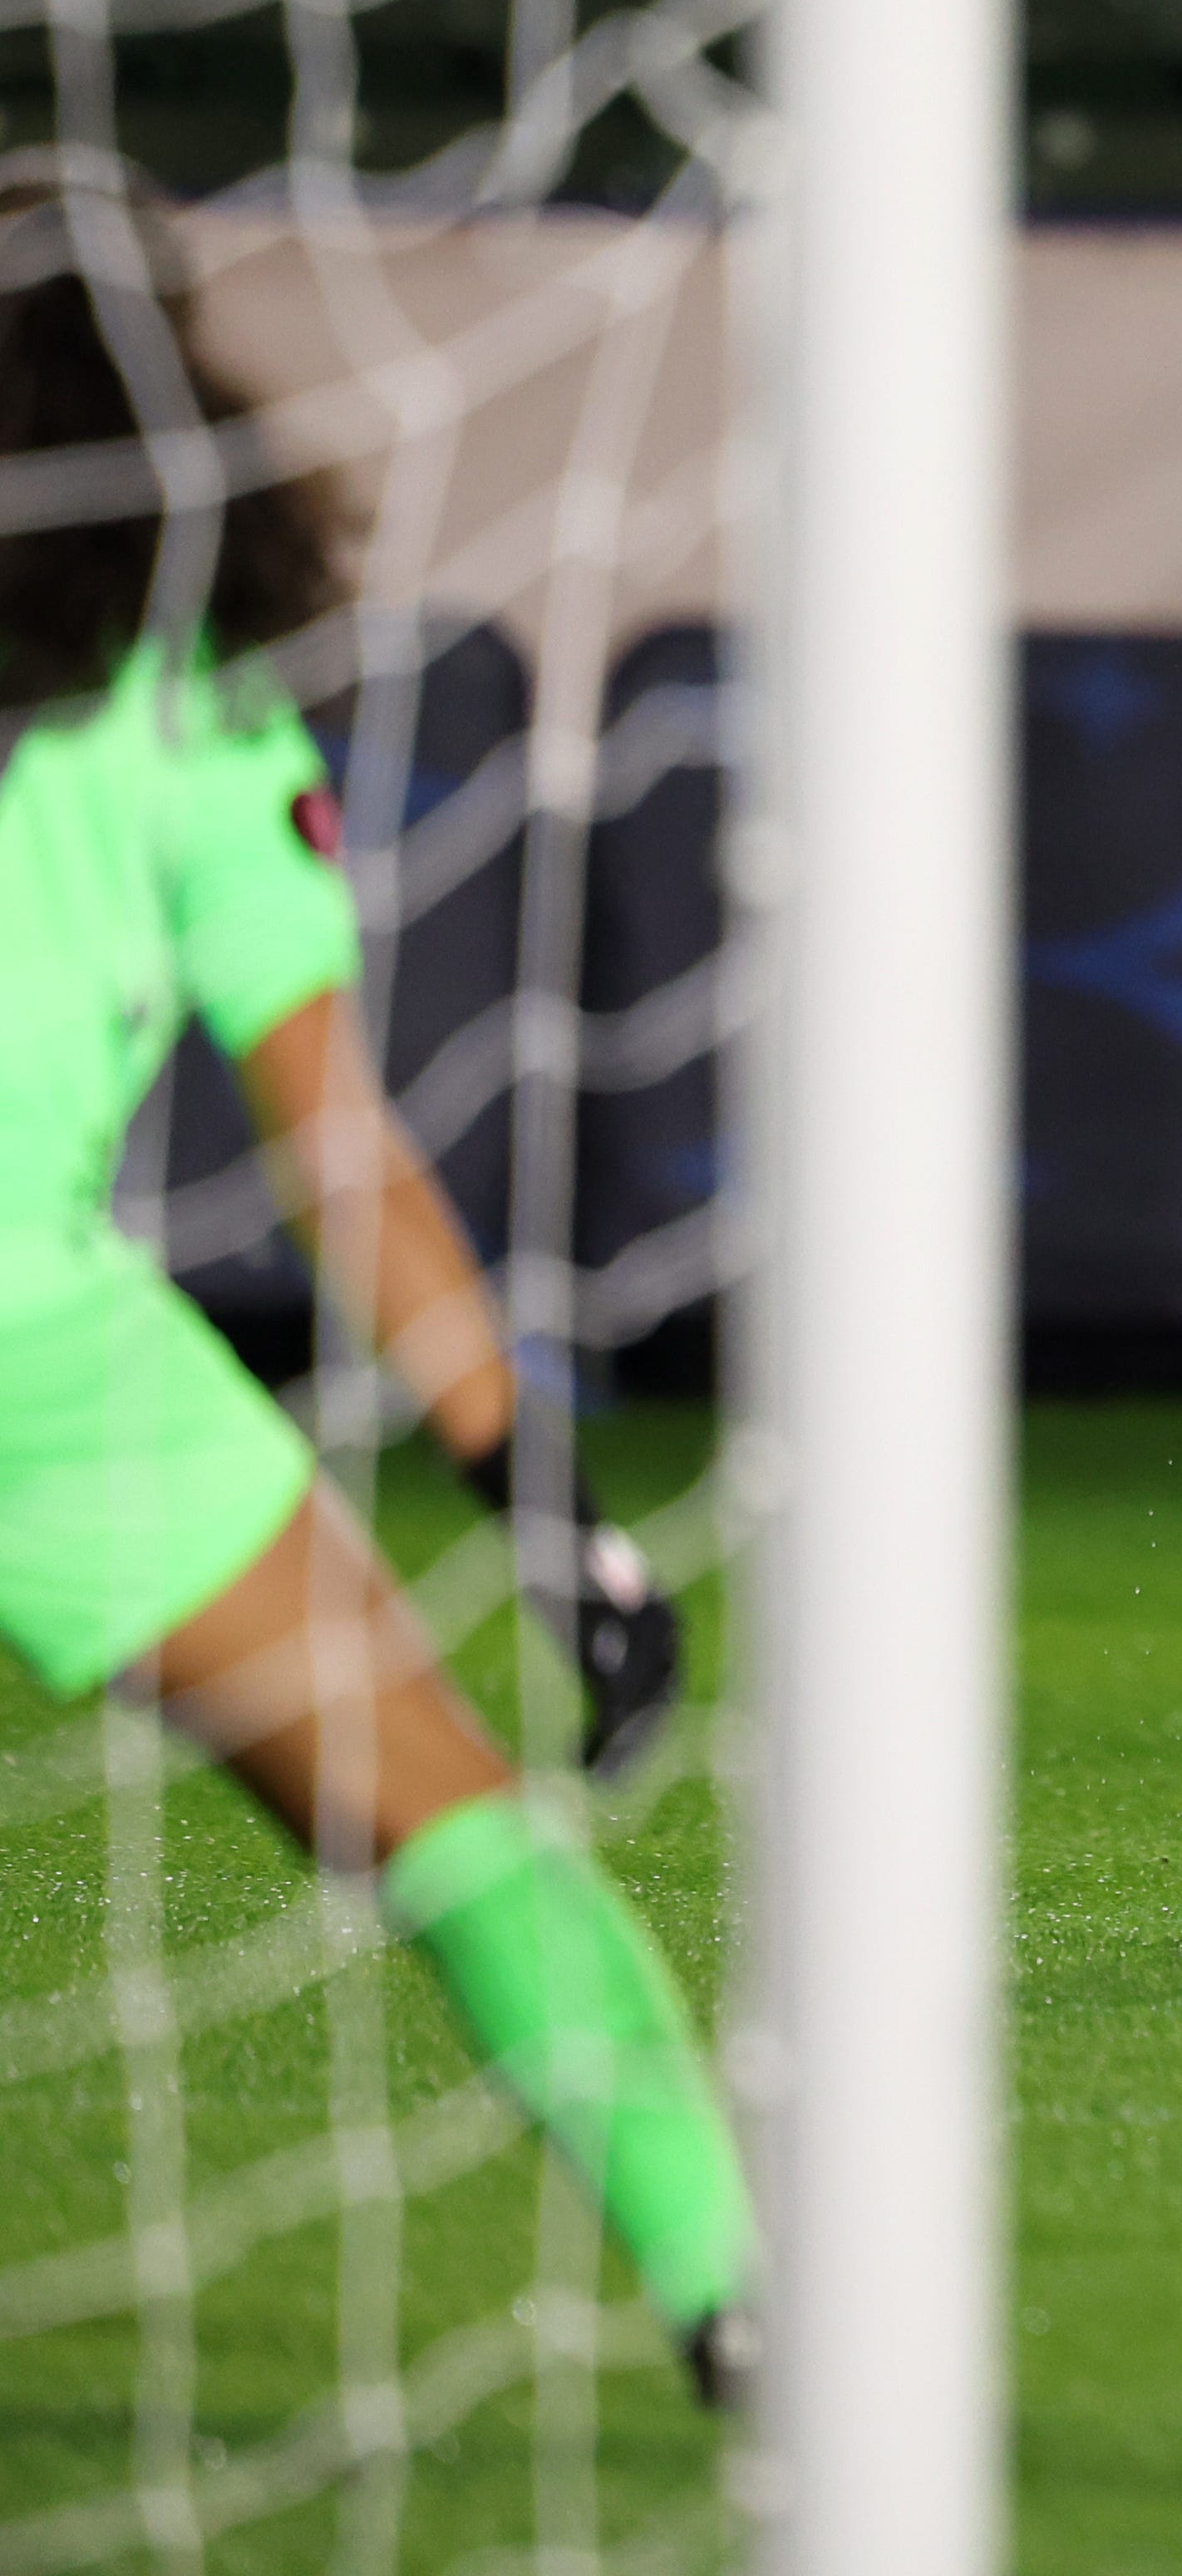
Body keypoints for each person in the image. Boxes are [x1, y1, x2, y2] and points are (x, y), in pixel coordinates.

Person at [0, 175, 753, 2391]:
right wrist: (546, 1508)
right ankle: (737, 2296)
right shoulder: (194, 724)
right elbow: (340, 1151)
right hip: (38, 1359)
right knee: (465, 1833)